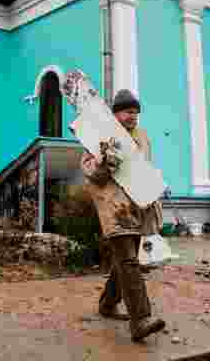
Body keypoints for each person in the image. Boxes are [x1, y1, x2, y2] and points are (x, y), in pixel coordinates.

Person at [81, 89, 166, 342]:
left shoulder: (142, 136)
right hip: (114, 206)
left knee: (126, 261)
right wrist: (106, 163)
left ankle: (107, 304)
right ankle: (140, 320)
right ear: (116, 113)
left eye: (136, 113)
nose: (134, 117)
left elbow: (144, 168)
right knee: (129, 260)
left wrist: (156, 186)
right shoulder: (100, 134)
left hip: (138, 206)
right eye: (129, 112)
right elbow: (89, 170)